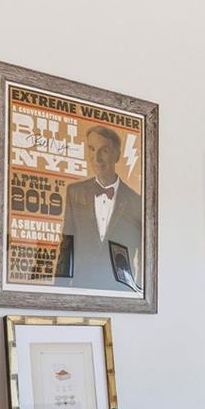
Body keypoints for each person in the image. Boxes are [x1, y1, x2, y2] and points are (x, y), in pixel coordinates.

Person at [59, 125, 143, 291]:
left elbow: (144, 256)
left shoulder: (137, 202)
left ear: (117, 155)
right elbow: (66, 245)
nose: (96, 158)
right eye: (91, 149)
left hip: (121, 292)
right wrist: (59, 289)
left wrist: (139, 292)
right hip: (79, 288)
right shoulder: (74, 192)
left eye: (104, 150)